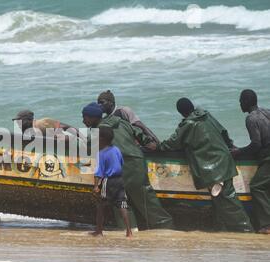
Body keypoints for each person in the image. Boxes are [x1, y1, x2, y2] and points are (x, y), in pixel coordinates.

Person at [158, 98, 253, 233]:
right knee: (220, 200)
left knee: (228, 200)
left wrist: (157, 147)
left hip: (213, 169)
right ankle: (223, 229)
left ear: (181, 113)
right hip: (224, 160)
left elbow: (172, 143)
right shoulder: (207, 116)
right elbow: (224, 132)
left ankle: (246, 230)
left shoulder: (188, 124)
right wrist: (231, 146)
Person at [82, 102, 174, 230]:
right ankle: (166, 228)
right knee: (146, 200)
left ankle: (130, 231)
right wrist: (150, 143)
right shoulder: (121, 122)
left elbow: (87, 149)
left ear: (93, 118)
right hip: (137, 162)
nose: (83, 121)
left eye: (84, 117)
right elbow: (138, 132)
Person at [231, 90, 270, 234]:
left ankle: (267, 225)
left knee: (257, 186)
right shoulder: (266, 112)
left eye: (241, 100)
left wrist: (239, 151)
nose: (240, 103)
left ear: (246, 102)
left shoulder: (251, 119)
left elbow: (256, 144)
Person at [92, 126, 132, 237]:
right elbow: (121, 163)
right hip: (119, 180)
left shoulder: (101, 153)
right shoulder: (116, 149)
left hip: (107, 181)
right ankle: (129, 231)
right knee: (122, 205)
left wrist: (96, 186)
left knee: (100, 205)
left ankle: (99, 231)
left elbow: (98, 173)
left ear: (101, 139)